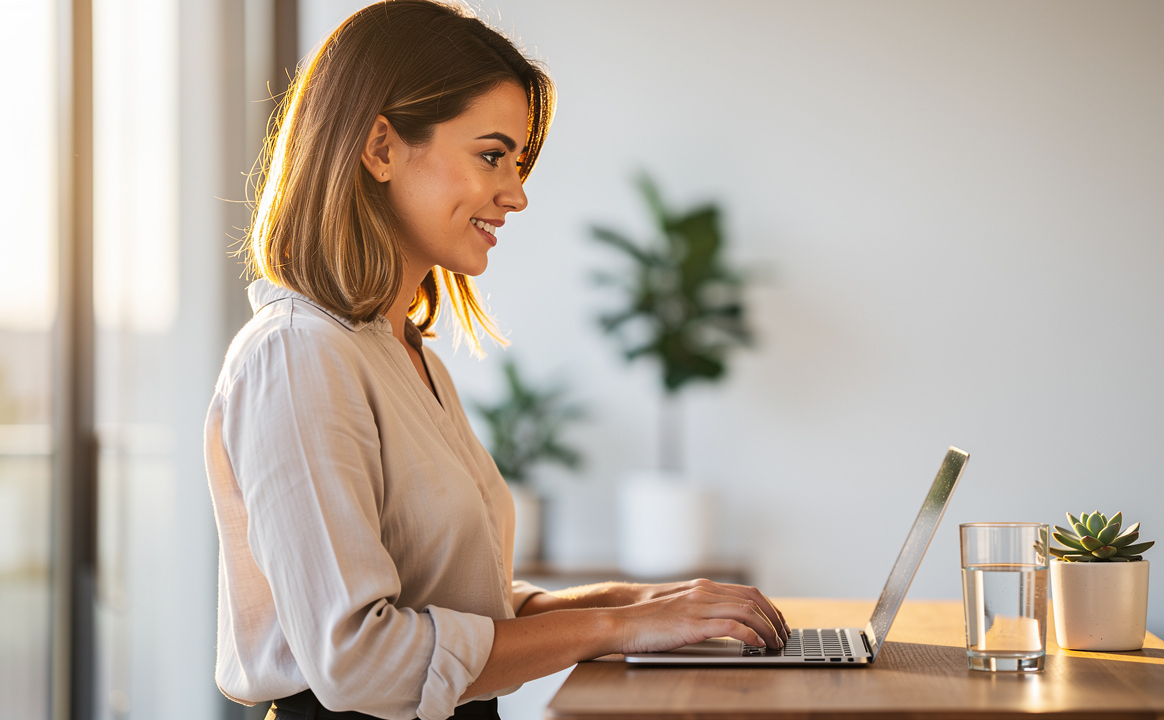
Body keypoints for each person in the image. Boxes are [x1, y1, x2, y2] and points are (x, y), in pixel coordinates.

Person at [203, 2, 789, 719]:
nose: (515, 193)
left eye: (517, 162)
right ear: (381, 147)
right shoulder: (296, 356)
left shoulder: (400, 356)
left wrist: (635, 601)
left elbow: (451, 600)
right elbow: (360, 658)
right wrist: (618, 628)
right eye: (492, 156)